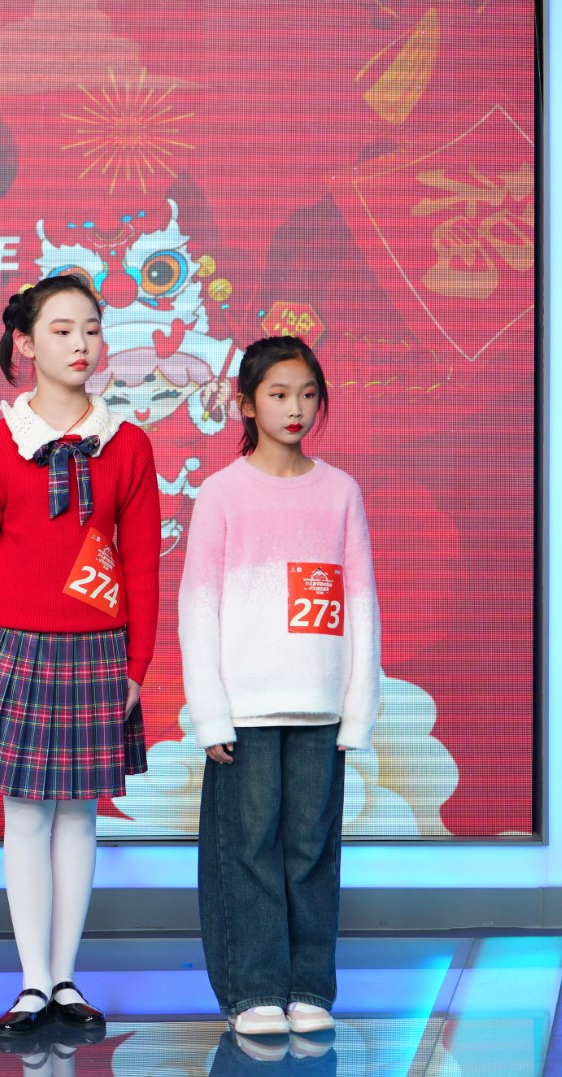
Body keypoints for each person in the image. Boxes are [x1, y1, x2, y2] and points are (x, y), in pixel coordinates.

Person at [0, 275, 160, 1037]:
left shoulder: (128, 444)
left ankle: (67, 979)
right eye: (63, 330)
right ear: (25, 344)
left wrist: (137, 666)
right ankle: (31, 984)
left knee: (80, 815)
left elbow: (143, 565)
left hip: (101, 650)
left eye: (92, 330)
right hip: (13, 649)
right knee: (24, 815)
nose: (82, 345)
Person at [178, 336, 379, 1037]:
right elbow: (197, 609)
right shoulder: (222, 493)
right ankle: (253, 990)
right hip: (246, 710)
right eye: (279, 394)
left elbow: (361, 605)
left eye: (308, 395)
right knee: (249, 852)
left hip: (320, 707)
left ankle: (309, 987)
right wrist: (210, 714)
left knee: (311, 851)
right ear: (245, 404)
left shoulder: (340, 492)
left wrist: (358, 711)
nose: (296, 408)